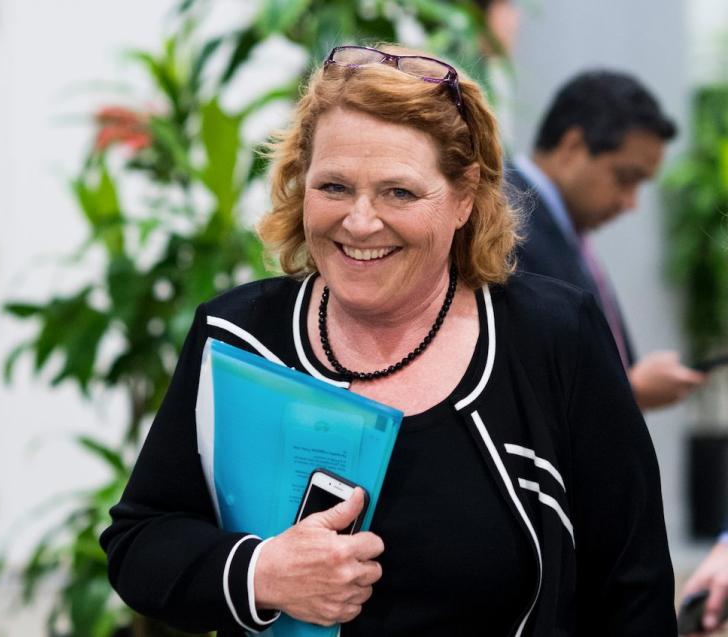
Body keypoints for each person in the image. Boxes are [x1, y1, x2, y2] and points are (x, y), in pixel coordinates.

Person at [100, 44, 676, 635]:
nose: (359, 221)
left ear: (464, 197)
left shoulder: (553, 337)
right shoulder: (240, 337)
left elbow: (634, 584)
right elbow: (140, 539)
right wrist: (261, 572)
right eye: (333, 187)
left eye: (398, 192)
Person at [507, 70, 708, 409]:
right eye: (625, 178)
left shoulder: (563, 227)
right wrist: (629, 391)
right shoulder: (503, 221)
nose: (630, 202)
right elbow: (522, 381)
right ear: (572, 147)